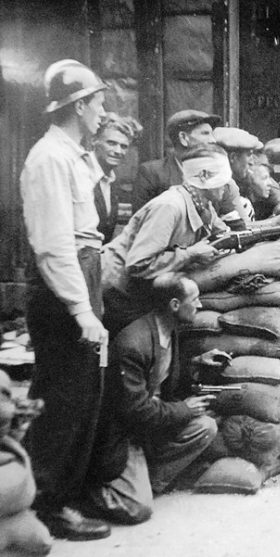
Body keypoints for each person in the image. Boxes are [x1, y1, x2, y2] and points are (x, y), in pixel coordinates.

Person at [20, 59, 111, 541]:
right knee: (62, 398)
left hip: (81, 273)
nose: (102, 114)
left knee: (80, 395)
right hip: (63, 287)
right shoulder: (48, 158)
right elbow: (54, 244)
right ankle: (47, 504)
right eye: (97, 105)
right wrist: (80, 309)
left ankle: (58, 495)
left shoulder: (72, 153)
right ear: (78, 106)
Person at [83, 274, 217, 523]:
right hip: (125, 434)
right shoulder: (133, 343)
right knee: (137, 510)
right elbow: (134, 410)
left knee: (205, 427)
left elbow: (160, 377)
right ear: (175, 305)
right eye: (195, 299)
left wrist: (197, 364)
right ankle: (88, 493)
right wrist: (184, 410)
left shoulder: (170, 330)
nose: (199, 305)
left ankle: (148, 483)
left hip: (151, 424)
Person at [101, 143, 230, 338]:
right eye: (222, 180)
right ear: (205, 180)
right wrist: (190, 254)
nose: (227, 186)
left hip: (141, 289)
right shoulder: (170, 206)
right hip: (119, 290)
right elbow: (137, 264)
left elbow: (225, 233)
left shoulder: (203, 206)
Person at [132, 109, 250, 227]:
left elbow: (234, 223)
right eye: (205, 133)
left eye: (212, 134)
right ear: (184, 138)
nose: (213, 140)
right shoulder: (152, 173)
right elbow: (143, 225)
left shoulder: (218, 176)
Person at [213, 127, 280, 223]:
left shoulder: (248, 176)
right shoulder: (218, 184)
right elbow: (242, 229)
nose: (252, 161)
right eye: (248, 155)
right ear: (233, 157)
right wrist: (276, 221)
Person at [91, 113, 143, 243]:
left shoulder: (112, 182)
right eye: (111, 143)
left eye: (123, 146)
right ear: (94, 140)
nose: (118, 151)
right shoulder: (82, 174)